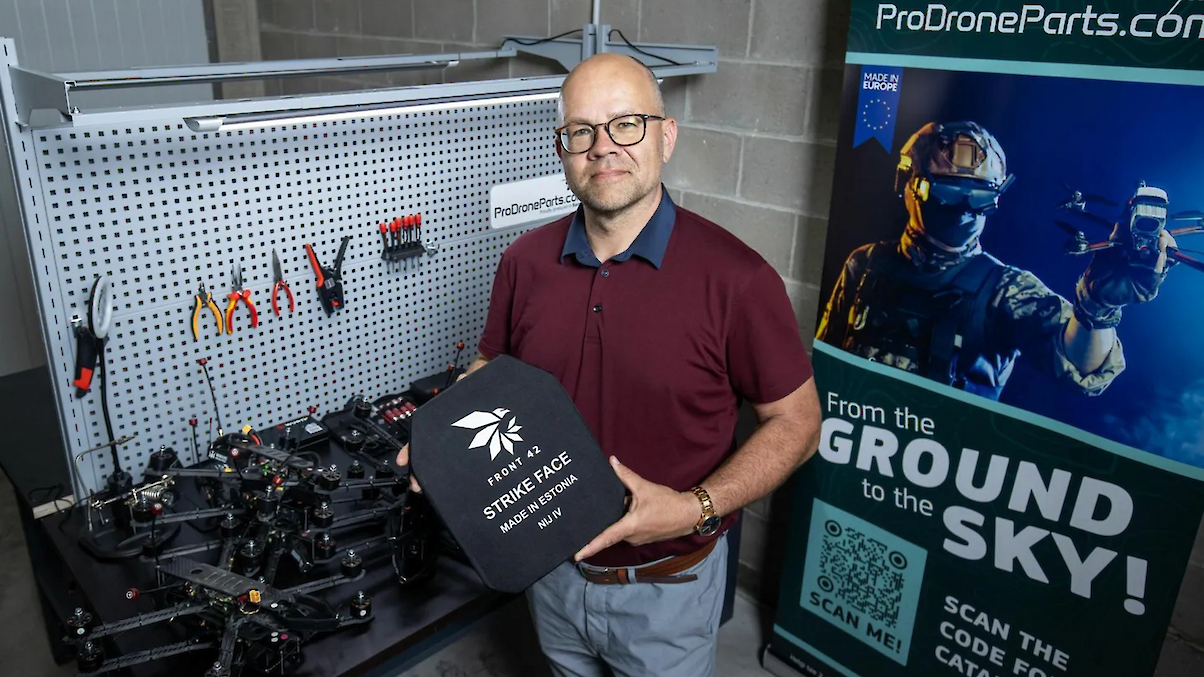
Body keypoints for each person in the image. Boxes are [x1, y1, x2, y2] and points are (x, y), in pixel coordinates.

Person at [396, 53, 822, 676]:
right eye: (582, 130)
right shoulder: (524, 262)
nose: (603, 147)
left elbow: (798, 423)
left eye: (626, 123)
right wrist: (445, 443)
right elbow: (492, 365)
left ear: (666, 137)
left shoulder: (739, 280)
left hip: (669, 590)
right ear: (562, 149)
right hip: (549, 573)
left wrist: (694, 507)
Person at [816, 121, 1175, 400]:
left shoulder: (1005, 289)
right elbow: (823, 362)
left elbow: (1082, 366)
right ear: (910, 185)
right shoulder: (866, 263)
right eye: (948, 191)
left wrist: (1097, 305)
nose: (963, 209)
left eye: (979, 197)